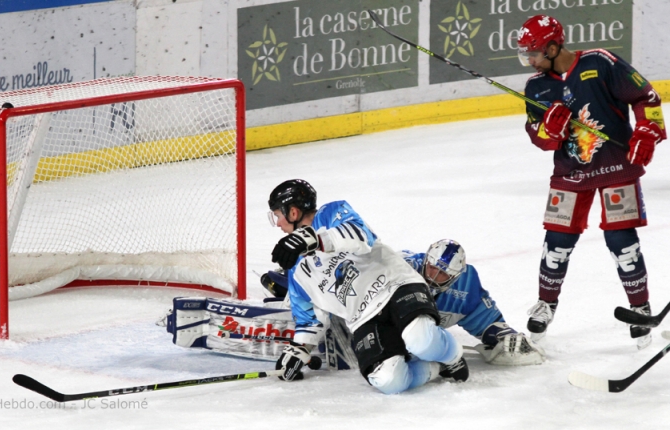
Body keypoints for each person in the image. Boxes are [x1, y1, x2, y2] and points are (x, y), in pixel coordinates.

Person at [517, 15, 666, 349]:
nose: (531, 59)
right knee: (556, 242)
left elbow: (646, 97)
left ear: (555, 46)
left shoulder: (600, 62)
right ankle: (546, 303)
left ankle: (640, 306)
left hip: (616, 165)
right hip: (570, 172)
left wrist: (647, 128)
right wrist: (549, 130)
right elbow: (536, 134)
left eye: (536, 52)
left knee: (621, 241)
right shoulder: (536, 87)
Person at [267, 179, 468, 394]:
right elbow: (310, 319)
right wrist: (299, 349)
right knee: (388, 380)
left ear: (293, 212)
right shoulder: (296, 272)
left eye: (278, 215)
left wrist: (313, 239)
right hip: (363, 318)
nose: (278, 223)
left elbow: (360, 234)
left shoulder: (331, 213)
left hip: (395, 285)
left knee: (421, 341)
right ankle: (436, 366)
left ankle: (453, 357)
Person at [401, 240, 545, 365]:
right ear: (426, 260)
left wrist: (503, 336)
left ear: (455, 276)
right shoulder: (404, 268)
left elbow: (486, 322)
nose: (433, 276)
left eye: (443, 273)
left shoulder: (465, 285)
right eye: (432, 268)